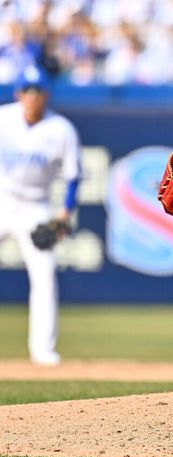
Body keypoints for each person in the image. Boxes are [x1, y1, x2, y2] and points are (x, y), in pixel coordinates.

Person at [0, 66, 82, 366]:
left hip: (36, 206)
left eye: (38, 91)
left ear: (46, 94)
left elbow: (73, 176)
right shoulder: (3, 118)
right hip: (2, 199)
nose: (33, 96)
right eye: (28, 90)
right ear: (18, 93)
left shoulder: (61, 129)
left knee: (44, 275)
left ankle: (43, 350)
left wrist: (64, 214)